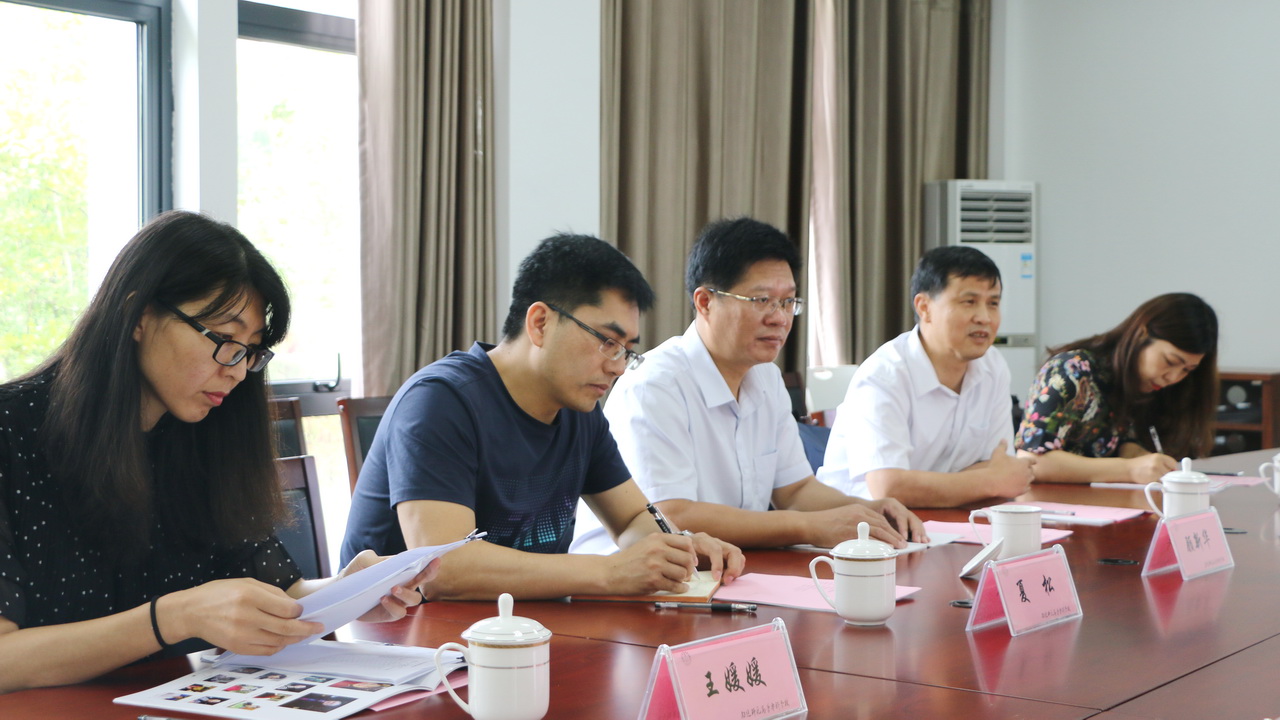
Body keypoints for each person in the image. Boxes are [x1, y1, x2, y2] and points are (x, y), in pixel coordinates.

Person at [0, 211, 434, 694]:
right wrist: (172, 617)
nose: (237, 370)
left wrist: (351, 590)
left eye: (251, 349)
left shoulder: (203, 434)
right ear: (138, 316)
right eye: (224, 339)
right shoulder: (11, 432)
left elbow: (280, 594)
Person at [340, 234, 744, 600]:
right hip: (406, 638)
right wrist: (609, 572)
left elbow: (632, 519)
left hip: (525, 630)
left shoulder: (579, 409)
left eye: (626, 349)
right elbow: (443, 571)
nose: (618, 367)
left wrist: (679, 548)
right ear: (540, 323)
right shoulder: (441, 402)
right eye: (607, 342)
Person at [594, 217, 925, 550]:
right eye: (761, 300)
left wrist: (867, 510)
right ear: (705, 302)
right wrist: (807, 527)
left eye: (788, 302)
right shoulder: (655, 385)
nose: (779, 318)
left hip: (730, 567)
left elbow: (795, 491)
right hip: (633, 573)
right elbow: (671, 514)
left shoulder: (766, 377)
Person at [816, 246, 1035, 507]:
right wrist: (990, 481)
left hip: (945, 519)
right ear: (924, 307)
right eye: (969, 302)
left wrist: (984, 479)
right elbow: (889, 488)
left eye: (993, 303)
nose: (984, 318)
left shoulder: (992, 366)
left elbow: (997, 464)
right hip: (861, 525)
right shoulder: (884, 375)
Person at [1015, 293, 1218, 484]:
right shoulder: (1073, 370)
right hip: (1050, 503)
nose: (1173, 377)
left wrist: (1138, 455)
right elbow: (1033, 462)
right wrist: (1130, 469)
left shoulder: (1145, 385)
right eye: (1170, 361)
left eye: (1187, 370)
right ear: (1142, 334)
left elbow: (1117, 442)